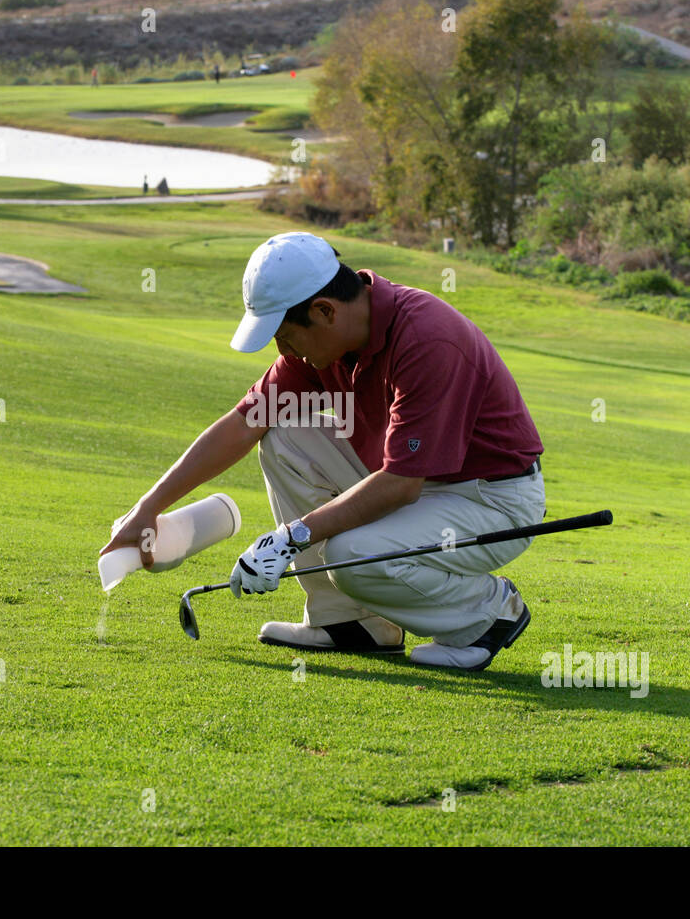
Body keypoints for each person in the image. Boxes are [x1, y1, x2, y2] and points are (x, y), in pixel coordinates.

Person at [100, 233, 546, 671]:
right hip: (416, 481)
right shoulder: (324, 345)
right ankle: (349, 622)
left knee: (352, 555)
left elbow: (400, 485)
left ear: (325, 310)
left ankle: (486, 615)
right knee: (285, 433)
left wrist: (292, 537)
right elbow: (243, 424)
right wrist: (148, 509)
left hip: (490, 499)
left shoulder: (429, 340)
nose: (282, 351)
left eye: (285, 336)